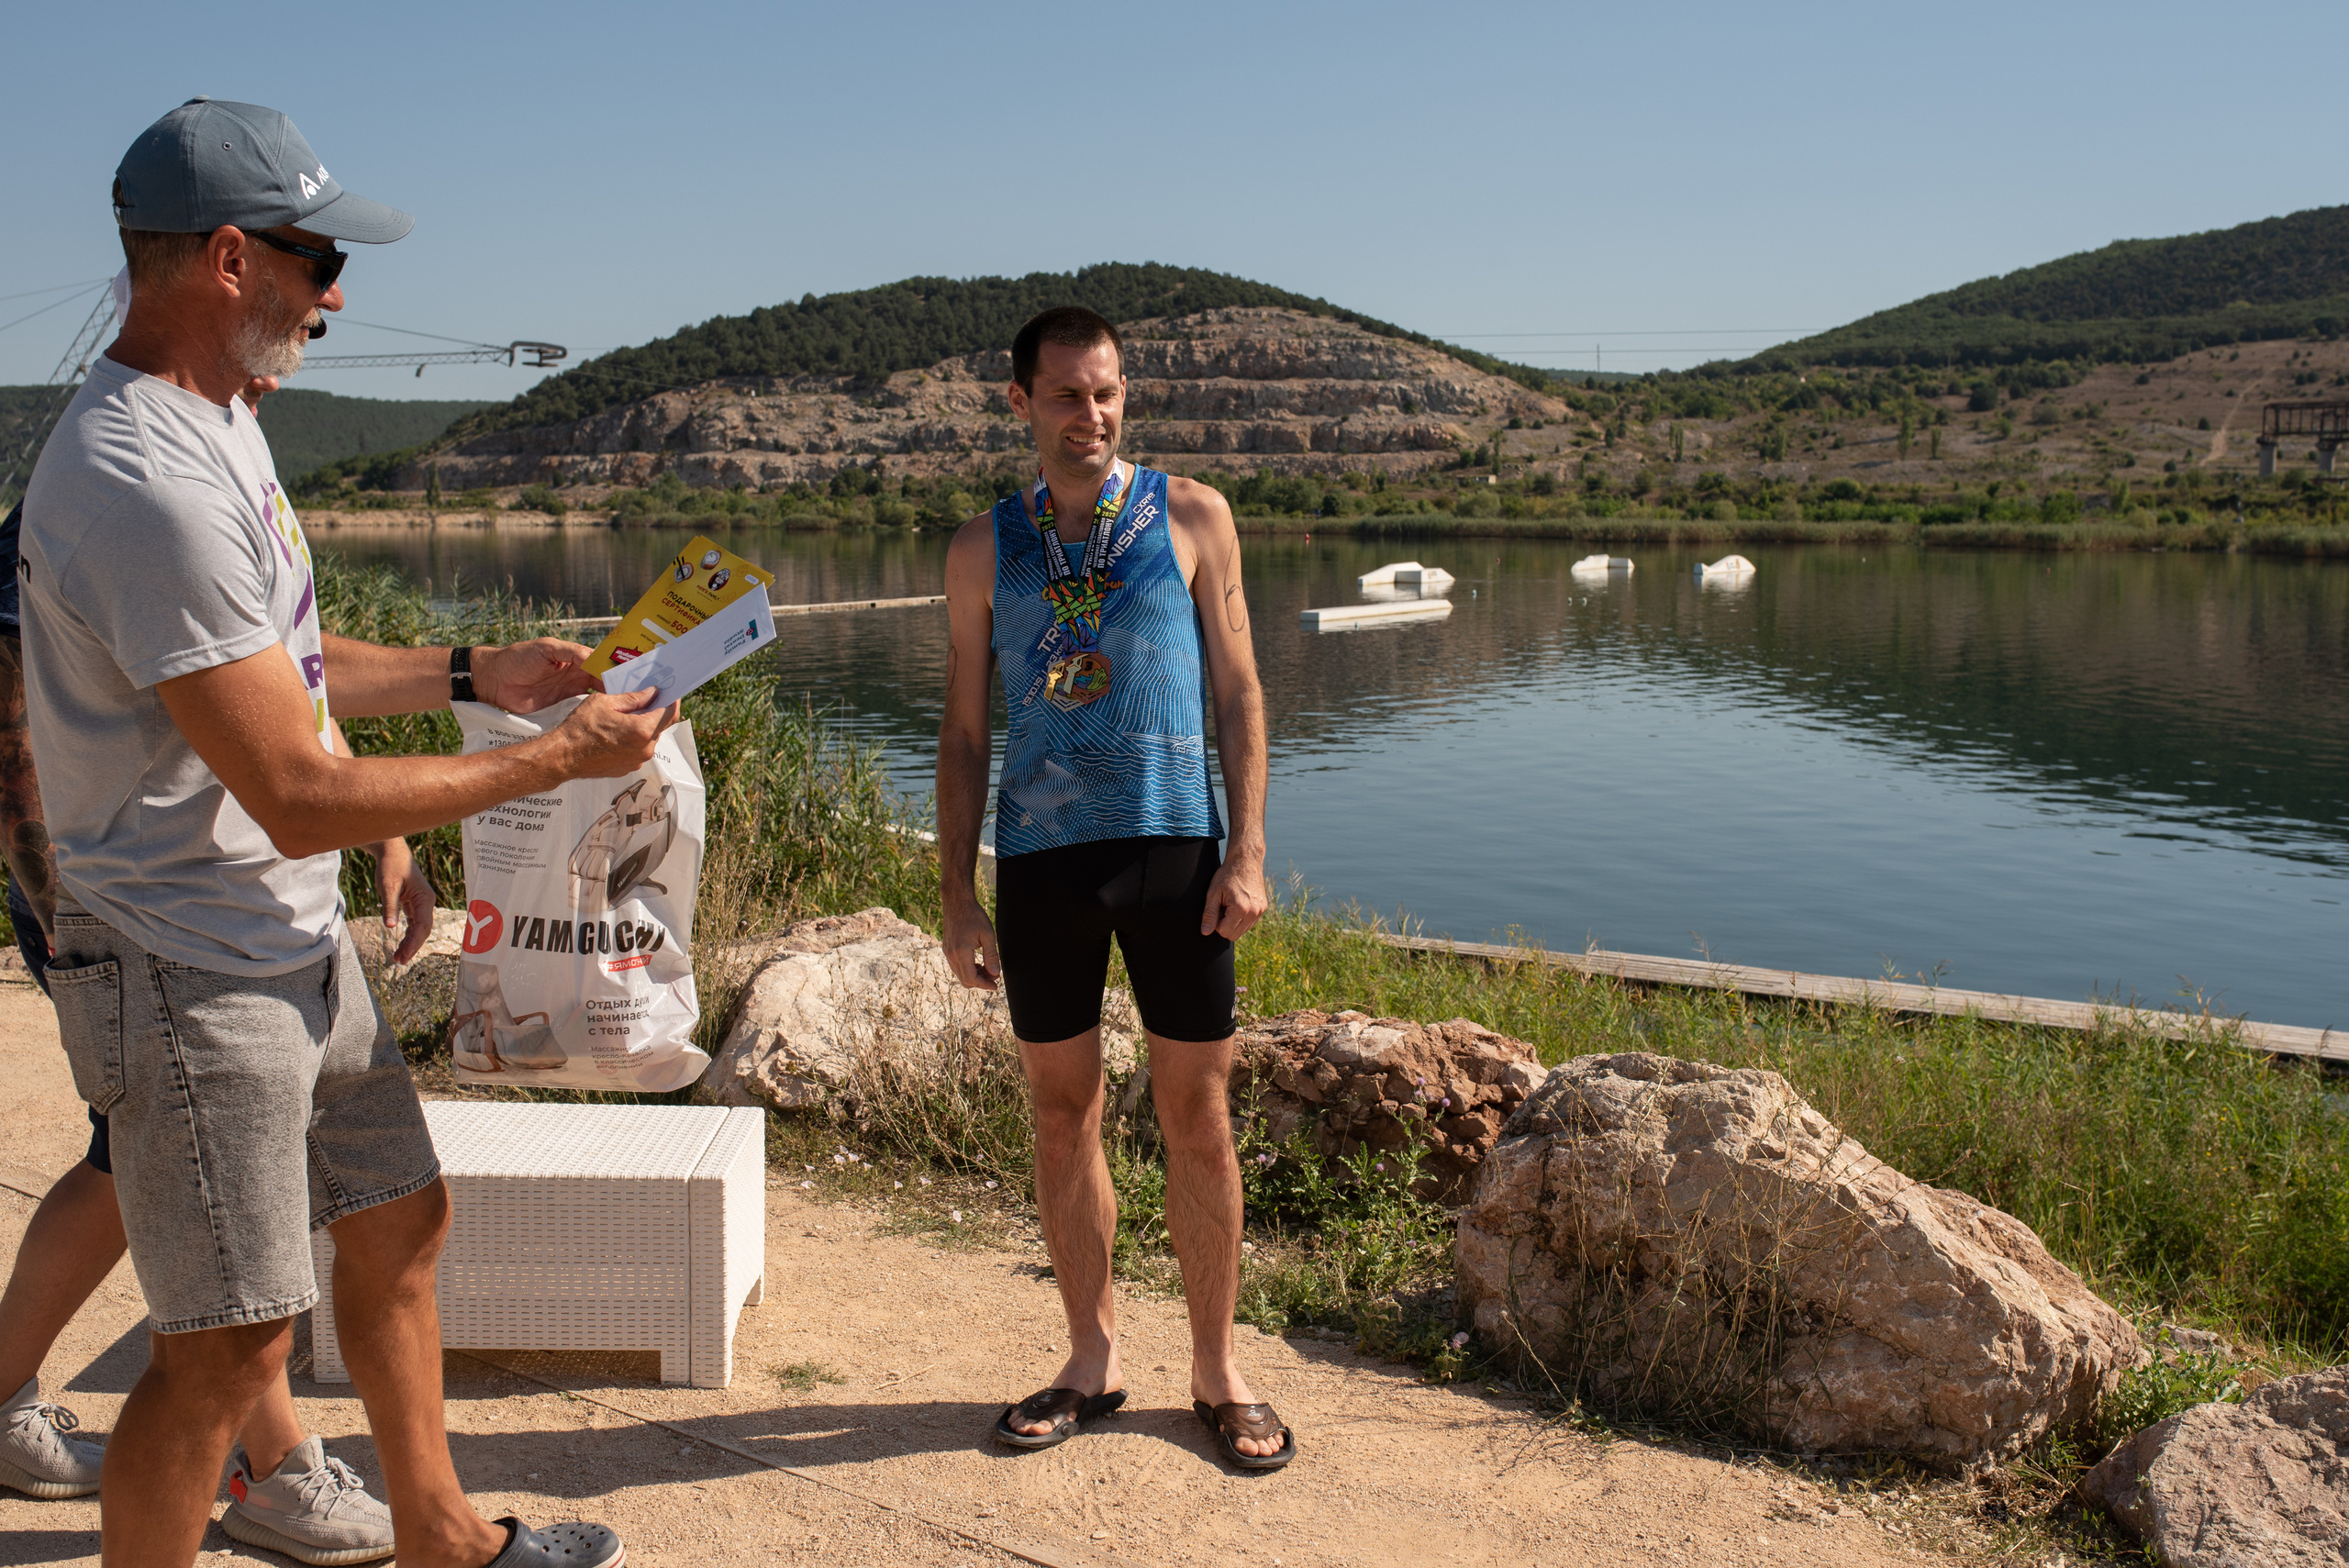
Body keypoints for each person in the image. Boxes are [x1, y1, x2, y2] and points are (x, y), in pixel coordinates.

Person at [21, 97, 673, 1568]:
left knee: (397, 1223)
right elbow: (291, 788)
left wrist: (473, 674)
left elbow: (286, 670)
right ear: (230, 259)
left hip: (284, 936)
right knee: (224, 1349)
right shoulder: (141, 479)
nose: (335, 294)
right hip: (191, 967)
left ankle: (440, 1536)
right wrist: (555, 760)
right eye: (318, 261)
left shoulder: (222, 422)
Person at [0, 362, 415, 1562]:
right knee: (201, 1187)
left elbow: (280, 677)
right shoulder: (121, 492)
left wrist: (379, 823)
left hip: (190, 916)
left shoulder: (219, 468)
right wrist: (80, 927)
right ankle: (272, 1470)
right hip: (134, 919)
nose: (279, 370)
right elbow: (21, 740)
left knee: (146, 1165)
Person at [935, 306, 1289, 1469]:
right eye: (1065, 394)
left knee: (1198, 1111)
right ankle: (1090, 1355)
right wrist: (956, 893)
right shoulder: (982, 547)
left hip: (1176, 850)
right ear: (1020, 403)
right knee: (1061, 1111)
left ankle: (1217, 1369)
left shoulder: (1192, 515)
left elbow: (1239, 691)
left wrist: (1247, 850)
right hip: (1043, 863)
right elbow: (962, 732)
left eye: (1106, 392)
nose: (1089, 414)